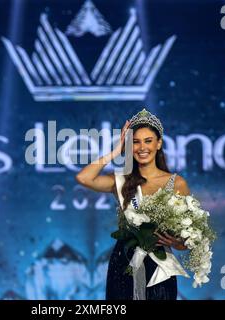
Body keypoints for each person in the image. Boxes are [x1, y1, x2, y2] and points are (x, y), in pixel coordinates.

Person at [76, 108, 191, 300]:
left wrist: (177, 243)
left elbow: (187, 237)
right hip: (124, 261)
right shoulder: (121, 180)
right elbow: (83, 178)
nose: (141, 147)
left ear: (159, 143)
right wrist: (116, 151)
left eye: (148, 141)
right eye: (135, 142)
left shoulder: (176, 183)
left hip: (160, 264)